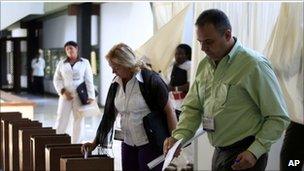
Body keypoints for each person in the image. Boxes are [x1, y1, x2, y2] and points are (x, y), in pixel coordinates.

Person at [163, 9, 290, 171]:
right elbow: (193, 108)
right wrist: (178, 138)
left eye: (209, 42)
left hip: (245, 152)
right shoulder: (205, 65)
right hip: (220, 150)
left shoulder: (254, 65)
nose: (203, 48)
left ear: (228, 35)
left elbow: (278, 117)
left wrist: (254, 151)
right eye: (200, 42)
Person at [81, 43, 177, 171]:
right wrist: (94, 142)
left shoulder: (150, 80)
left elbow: (169, 111)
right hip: (128, 143)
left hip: (151, 144)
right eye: (112, 67)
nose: (113, 71)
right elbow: (109, 116)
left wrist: (174, 141)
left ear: (127, 64)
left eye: (116, 67)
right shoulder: (116, 84)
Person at [53, 41, 95, 143]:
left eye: (71, 48)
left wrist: (91, 96)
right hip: (65, 95)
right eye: (67, 49)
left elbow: (89, 79)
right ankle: (57, 142)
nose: (69, 50)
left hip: (80, 95)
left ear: (76, 49)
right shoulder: (61, 63)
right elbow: (57, 79)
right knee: (61, 118)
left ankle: (76, 144)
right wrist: (63, 91)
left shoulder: (84, 62)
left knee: (79, 120)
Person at [168, 44, 192, 119]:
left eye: (181, 54)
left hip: (185, 102)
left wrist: (174, 89)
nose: (178, 56)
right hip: (174, 103)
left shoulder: (189, 65)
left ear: (187, 55)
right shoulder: (173, 65)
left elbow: (189, 84)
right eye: (176, 54)